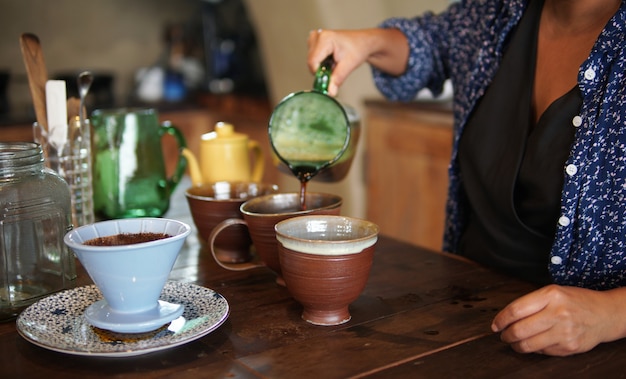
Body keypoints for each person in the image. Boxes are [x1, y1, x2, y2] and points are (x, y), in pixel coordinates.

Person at [307, 0, 626, 357]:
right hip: (464, 313)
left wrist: (610, 313)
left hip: (595, 353)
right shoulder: (499, 11)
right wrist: (366, 42)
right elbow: (432, 43)